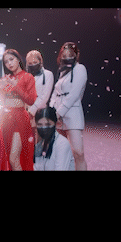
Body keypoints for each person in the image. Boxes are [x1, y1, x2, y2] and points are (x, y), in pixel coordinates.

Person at [0, 49, 37, 170]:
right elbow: (1, 102)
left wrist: (16, 86)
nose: (9, 63)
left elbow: (31, 100)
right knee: (3, 156)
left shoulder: (28, 77)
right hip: (5, 118)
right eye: (6, 62)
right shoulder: (6, 78)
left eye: (11, 59)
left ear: (18, 59)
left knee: (14, 158)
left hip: (19, 118)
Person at [49, 42, 88, 170]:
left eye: (70, 55)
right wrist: (51, 110)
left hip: (72, 114)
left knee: (78, 152)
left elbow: (74, 94)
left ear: (76, 55)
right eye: (64, 55)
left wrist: (58, 113)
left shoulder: (80, 68)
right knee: (63, 153)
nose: (67, 58)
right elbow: (55, 92)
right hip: (58, 117)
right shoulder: (62, 71)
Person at [25, 49, 54, 143]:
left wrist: (32, 110)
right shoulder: (26, 75)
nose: (32, 65)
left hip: (41, 112)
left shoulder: (48, 74)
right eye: (30, 63)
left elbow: (45, 96)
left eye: (35, 62)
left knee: (40, 142)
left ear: (40, 61)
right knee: (28, 142)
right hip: (26, 112)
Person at [33, 106, 75, 170]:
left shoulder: (62, 144)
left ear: (55, 123)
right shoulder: (40, 145)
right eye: (40, 125)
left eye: (48, 124)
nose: (44, 128)